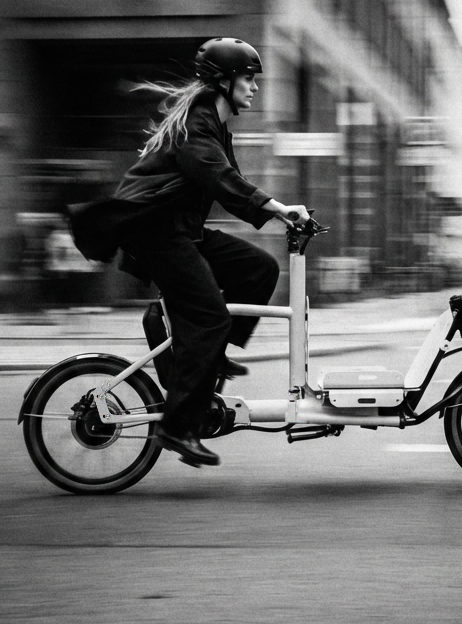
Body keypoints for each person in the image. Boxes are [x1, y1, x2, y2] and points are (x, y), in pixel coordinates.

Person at [68, 38, 309, 468]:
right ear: (224, 81)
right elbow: (218, 177)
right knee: (209, 316)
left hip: (183, 232)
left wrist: (275, 211)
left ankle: (210, 352)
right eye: (248, 79)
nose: (254, 87)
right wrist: (277, 208)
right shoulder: (197, 125)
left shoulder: (215, 126)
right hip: (158, 235)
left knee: (259, 268)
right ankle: (177, 427)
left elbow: (227, 178)